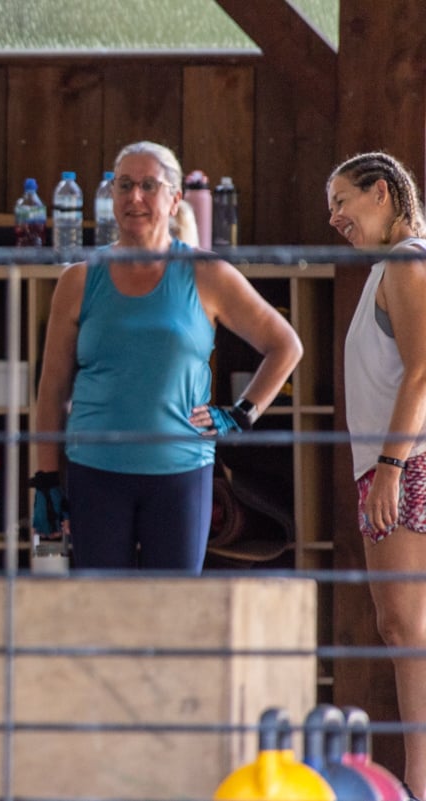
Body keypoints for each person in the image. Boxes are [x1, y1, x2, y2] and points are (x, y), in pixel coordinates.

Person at [32, 140, 302, 572]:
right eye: (123, 185)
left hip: (180, 474)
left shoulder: (208, 274)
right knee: (102, 616)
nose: (133, 197)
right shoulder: (78, 280)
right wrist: (45, 480)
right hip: (95, 472)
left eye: (147, 185)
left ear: (175, 198)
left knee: (173, 615)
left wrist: (241, 414)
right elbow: (52, 389)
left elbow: (285, 345)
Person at [330, 151, 426, 799]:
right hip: (390, 462)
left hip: (405, 460)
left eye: (342, 201)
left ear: (383, 192)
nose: (334, 217)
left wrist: (391, 466)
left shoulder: (406, 259)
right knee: (404, 627)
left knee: (406, 625)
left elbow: (422, 369)